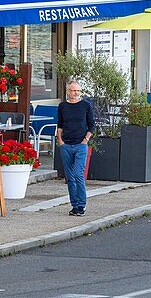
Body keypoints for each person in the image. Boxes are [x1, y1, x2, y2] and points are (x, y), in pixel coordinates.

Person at [57, 80, 94, 217]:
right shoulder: (62, 106)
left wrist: (86, 140)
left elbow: (91, 126)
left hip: (80, 145)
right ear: (68, 91)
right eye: (73, 90)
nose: (76, 93)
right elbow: (60, 124)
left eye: (78, 90)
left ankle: (82, 205)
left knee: (78, 174)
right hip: (66, 145)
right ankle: (74, 205)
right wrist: (60, 140)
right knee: (70, 177)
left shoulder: (86, 106)